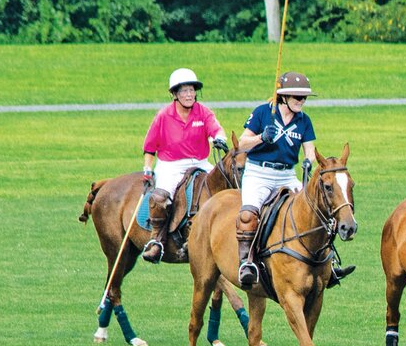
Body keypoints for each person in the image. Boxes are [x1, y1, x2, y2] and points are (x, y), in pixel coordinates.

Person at [235, 72, 353, 288]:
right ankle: (247, 263)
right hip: (259, 174)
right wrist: (262, 137)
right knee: (248, 215)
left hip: (287, 175)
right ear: (284, 97)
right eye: (297, 97)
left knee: (317, 210)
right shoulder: (263, 112)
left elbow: (309, 150)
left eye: (304, 97)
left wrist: (308, 162)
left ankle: (329, 262)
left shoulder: (304, 120)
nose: (301, 101)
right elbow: (241, 144)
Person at [140, 68, 228, 262]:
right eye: (184, 91)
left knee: (223, 187)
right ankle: (156, 241)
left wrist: (219, 139)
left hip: (199, 162)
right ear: (175, 94)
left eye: (191, 90)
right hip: (171, 164)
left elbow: (216, 128)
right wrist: (147, 168)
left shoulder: (203, 112)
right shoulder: (163, 116)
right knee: (160, 197)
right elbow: (149, 147)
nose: (189, 95)